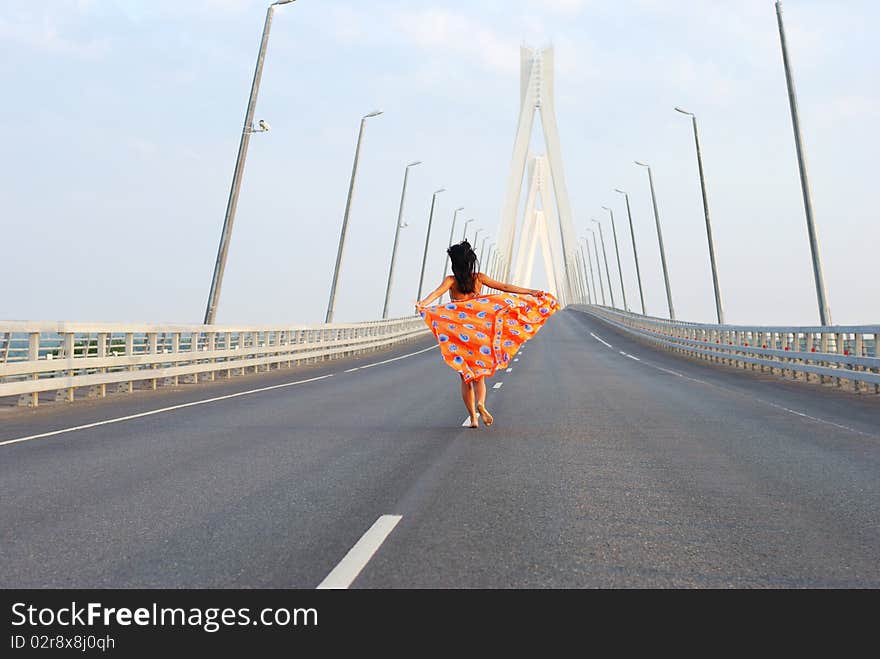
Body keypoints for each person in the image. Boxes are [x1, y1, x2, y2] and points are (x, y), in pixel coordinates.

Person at [416, 240, 559, 428]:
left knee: (466, 376)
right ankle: (481, 403)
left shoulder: (451, 281)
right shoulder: (478, 278)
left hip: (460, 336)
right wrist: (532, 292)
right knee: (479, 376)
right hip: (480, 335)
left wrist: (423, 304)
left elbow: (435, 294)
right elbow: (505, 288)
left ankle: (473, 418)